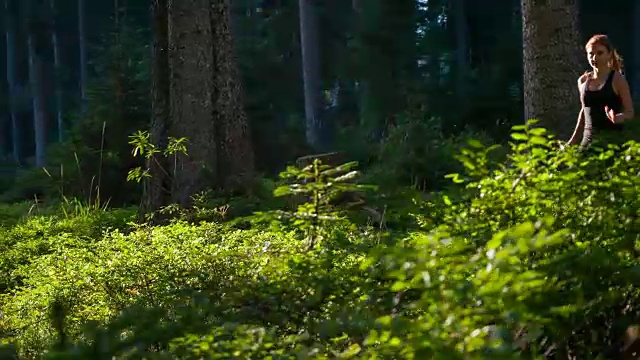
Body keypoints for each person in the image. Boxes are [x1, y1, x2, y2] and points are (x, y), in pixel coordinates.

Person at [566, 34, 634, 149]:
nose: (594, 58)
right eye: (591, 54)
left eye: (600, 53)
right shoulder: (583, 81)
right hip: (588, 143)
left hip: (611, 143)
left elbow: (629, 112)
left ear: (609, 54)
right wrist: (572, 141)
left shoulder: (617, 79)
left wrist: (618, 117)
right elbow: (584, 112)